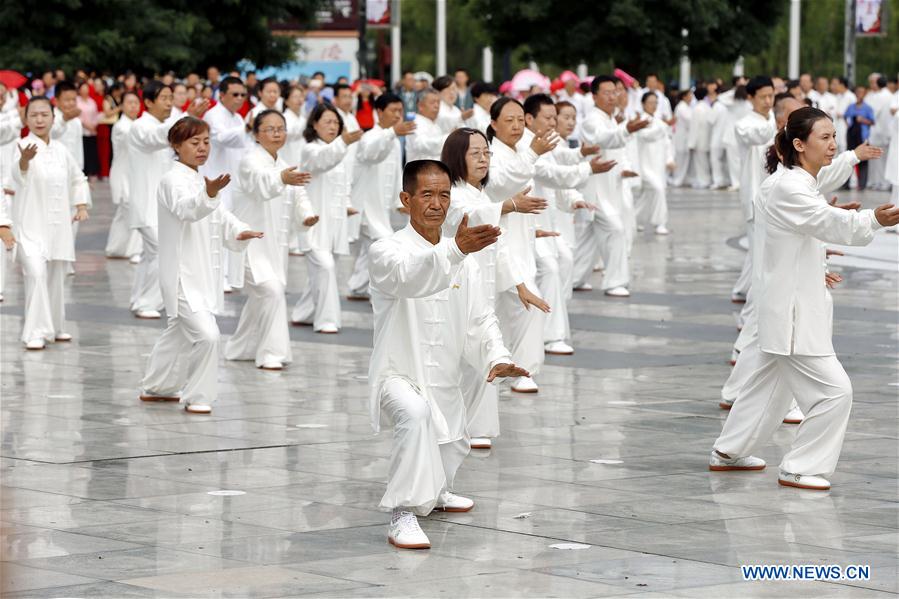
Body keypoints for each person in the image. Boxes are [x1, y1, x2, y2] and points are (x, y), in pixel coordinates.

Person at [710, 107, 899, 490]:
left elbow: (809, 226)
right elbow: (824, 222)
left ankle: (728, 452)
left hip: (788, 302)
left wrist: (819, 258)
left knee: (768, 387)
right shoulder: (788, 187)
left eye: (834, 136)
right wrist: (873, 220)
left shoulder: (799, 184)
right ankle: (800, 466)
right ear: (799, 144)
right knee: (835, 392)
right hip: (792, 311)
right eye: (825, 138)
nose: (833, 144)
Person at [368, 159, 527, 549]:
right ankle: (402, 513)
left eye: (443, 194)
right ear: (406, 199)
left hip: (444, 374)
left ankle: (437, 491)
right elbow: (410, 277)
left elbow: (481, 317)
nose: (437, 203)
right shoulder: (386, 249)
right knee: (416, 414)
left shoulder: (463, 260)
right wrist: (454, 250)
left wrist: (497, 357)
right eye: (427, 194)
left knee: (451, 436)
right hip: (397, 373)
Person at [140, 116, 262, 413]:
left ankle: (157, 386)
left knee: (179, 331)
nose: (202, 148)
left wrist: (238, 231)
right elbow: (187, 209)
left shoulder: (199, 179)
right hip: (181, 273)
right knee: (208, 336)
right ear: (176, 145)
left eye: (206, 142)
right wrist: (208, 194)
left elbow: (220, 217)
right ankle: (199, 397)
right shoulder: (172, 181)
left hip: (202, 273)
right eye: (194, 143)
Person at [441, 127, 547, 448]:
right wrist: (508, 206)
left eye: (486, 153)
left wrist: (520, 286)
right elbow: (462, 217)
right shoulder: (453, 193)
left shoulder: (482, 194)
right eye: (475, 153)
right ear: (457, 157)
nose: (483, 159)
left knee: (483, 352)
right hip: (457, 287)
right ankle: (454, 426)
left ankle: (477, 426)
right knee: (462, 356)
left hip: (484, 288)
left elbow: (498, 248)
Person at [523, 94, 614, 355]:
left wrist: (575, 197)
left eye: (555, 117)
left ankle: (551, 322)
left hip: (545, 220)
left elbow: (560, 170)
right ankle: (549, 334)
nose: (553, 122)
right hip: (526, 222)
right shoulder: (528, 147)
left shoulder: (546, 144)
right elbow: (553, 174)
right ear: (530, 119)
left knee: (563, 261)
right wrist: (587, 168)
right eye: (548, 117)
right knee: (551, 267)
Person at [225, 110, 314, 370]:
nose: (277, 134)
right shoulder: (249, 162)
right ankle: (271, 354)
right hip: (250, 245)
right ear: (256, 134)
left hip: (275, 246)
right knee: (271, 291)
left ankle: (239, 347)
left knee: (262, 297)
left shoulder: (284, 163)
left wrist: (307, 216)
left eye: (281, 128)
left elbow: (299, 196)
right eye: (270, 129)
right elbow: (261, 184)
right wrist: (280, 179)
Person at [485, 97, 555, 393]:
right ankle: (522, 370)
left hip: (519, 242)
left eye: (518, 119)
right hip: (498, 243)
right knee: (528, 304)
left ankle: (504, 365)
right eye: (508, 120)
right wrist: (531, 156)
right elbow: (500, 185)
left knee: (507, 310)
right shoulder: (491, 155)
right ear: (493, 124)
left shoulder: (519, 151)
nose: (515, 125)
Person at [11, 96, 90, 349]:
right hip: (30, 226)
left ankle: (56, 326)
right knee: (35, 273)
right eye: (34, 115)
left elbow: (78, 178)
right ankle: (34, 332)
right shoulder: (20, 146)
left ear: (53, 118)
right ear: (26, 119)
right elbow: (15, 176)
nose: (39, 119)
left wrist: (80, 204)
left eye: (44, 114)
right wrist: (24, 161)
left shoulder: (61, 150)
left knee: (56, 278)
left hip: (58, 226)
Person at [129, 81, 205, 320]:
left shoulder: (166, 125)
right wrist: (186, 118)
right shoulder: (140, 126)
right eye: (163, 98)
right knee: (161, 251)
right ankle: (146, 302)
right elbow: (157, 137)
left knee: (151, 254)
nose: (169, 103)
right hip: (146, 201)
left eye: (171, 97)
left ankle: (139, 298)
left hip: (162, 202)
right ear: (149, 102)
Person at [573, 75, 648, 297]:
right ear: (594, 96)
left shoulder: (611, 119)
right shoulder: (591, 121)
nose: (611, 96)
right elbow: (604, 139)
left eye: (614, 92)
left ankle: (574, 278)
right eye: (606, 93)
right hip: (595, 190)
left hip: (610, 187)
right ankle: (615, 281)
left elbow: (618, 147)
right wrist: (627, 130)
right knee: (615, 230)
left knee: (590, 238)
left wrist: (625, 167)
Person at [290, 104, 362, 333]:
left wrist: (347, 205)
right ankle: (327, 320)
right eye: (328, 121)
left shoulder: (340, 151)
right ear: (314, 124)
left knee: (321, 274)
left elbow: (343, 185)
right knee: (326, 267)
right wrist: (344, 142)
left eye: (336, 122)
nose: (333, 126)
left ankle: (303, 313)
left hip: (334, 225)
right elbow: (324, 160)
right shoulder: (311, 150)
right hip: (313, 223)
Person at [346, 93, 415, 300]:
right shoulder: (370, 137)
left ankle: (358, 287)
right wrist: (392, 132)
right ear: (379, 112)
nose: (397, 115)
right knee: (385, 243)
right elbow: (371, 153)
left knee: (371, 250)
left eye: (400, 111)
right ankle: (379, 292)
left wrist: (398, 201)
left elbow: (395, 175)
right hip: (365, 207)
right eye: (393, 111)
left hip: (380, 207)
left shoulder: (394, 141)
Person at [201, 75, 250, 291]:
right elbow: (222, 138)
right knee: (216, 229)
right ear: (221, 95)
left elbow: (244, 147)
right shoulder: (213, 115)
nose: (239, 98)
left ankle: (229, 274)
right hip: (216, 179)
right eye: (235, 94)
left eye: (243, 95)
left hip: (234, 180)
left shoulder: (238, 119)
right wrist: (247, 129)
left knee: (230, 228)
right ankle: (216, 277)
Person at [730, 76, 776, 305]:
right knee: (759, 250)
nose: (768, 101)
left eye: (771, 96)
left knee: (761, 247)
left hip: (774, 193)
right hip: (754, 194)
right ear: (750, 98)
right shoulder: (744, 124)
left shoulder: (775, 118)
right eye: (763, 97)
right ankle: (752, 303)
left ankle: (741, 289)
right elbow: (760, 135)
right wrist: (781, 124)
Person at [105, 90, 143, 261]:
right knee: (134, 211)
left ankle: (115, 248)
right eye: (130, 103)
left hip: (134, 175)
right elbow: (134, 140)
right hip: (123, 176)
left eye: (136, 102)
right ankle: (134, 251)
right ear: (122, 106)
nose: (134, 106)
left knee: (123, 215)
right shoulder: (121, 127)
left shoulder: (136, 124)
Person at [635, 92, 674, 234]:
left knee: (646, 196)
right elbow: (645, 136)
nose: (653, 105)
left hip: (658, 166)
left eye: (655, 102)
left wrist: (669, 160)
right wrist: (664, 127)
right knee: (658, 190)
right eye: (650, 102)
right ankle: (660, 223)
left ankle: (634, 219)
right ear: (643, 104)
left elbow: (667, 143)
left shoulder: (659, 122)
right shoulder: (639, 122)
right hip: (644, 166)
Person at [845, 86, 876, 190]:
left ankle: (862, 184)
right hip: (852, 136)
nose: (859, 94)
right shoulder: (851, 107)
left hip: (863, 137)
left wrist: (863, 120)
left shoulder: (868, 108)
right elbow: (846, 116)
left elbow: (872, 122)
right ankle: (846, 183)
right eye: (858, 92)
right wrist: (849, 126)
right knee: (849, 159)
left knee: (863, 161)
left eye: (862, 92)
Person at [405, 88, 448, 162]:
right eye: (432, 102)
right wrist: (448, 138)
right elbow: (422, 145)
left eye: (438, 102)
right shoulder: (414, 123)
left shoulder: (436, 125)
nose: (436, 106)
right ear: (420, 106)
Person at [865, 74, 892, 190]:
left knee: (882, 158)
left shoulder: (885, 95)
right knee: (874, 158)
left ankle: (883, 182)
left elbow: (872, 112)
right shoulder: (871, 94)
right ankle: (874, 181)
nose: (871, 85)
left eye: (873, 82)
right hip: (873, 132)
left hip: (881, 131)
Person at [75, 79, 100, 179]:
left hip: (92, 130)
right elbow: (77, 115)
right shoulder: (77, 101)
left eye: (87, 88)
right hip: (82, 130)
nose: (85, 90)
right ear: (79, 90)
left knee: (91, 151)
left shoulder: (91, 101)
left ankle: (91, 171)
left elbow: (95, 115)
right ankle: (83, 171)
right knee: (83, 151)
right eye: (83, 88)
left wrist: (93, 125)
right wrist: (86, 125)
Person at [689, 87, 712, 189]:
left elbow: (694, 127)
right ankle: (706, 179)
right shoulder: (708, 107)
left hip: (699, 140)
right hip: (707, 138)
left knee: (700, 162)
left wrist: (691, 143)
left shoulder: (697, 109)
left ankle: (703, 180)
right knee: (705, 161)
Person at [671, 89, 694, 187]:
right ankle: (676, 179)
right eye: (689, 95)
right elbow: (690, 120)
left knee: (684, 160)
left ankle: (682, 178)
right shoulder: (681, 107)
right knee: (680, 159)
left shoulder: (687, 107)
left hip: (685, 137)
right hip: (681, 137)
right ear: (684, 97)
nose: (691, 97)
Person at [830, 77, 856, 154]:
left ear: (841, 85)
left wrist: (843, 115)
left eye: (835, 84)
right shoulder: (837, 96)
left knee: (844, 146)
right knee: (836, 144)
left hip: (846, 124)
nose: (833, 86)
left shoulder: (851, 96)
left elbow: (853, 112)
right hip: (836, 123)